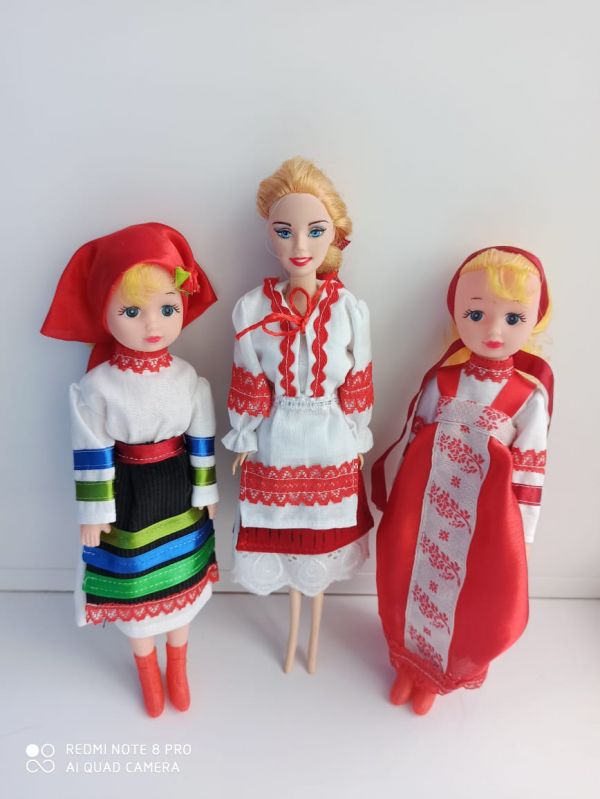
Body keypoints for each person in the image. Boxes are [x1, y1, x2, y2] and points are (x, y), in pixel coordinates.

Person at [41, 222, 218, 717]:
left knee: (182, 582)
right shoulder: (97, 387)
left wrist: (206, 489)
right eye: (132, 311)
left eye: (167, 308)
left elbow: (201, 435)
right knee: (136, 585)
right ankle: (146, 669)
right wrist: (94, 512)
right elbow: (90, 447)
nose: (151, 325)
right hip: (128, 496)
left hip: (179, 491)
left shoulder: (188, 378)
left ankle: (177, 663)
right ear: (105, 313)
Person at [373, 246, 554, 715]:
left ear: (535, 319)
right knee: (408, 578)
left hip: (485, 522)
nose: (494, 330)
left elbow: (531, 468)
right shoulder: (444, 380)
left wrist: (523, 534)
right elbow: (415, 437)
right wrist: (399, 499)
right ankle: (407, 664)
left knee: (468, 598)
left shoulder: (527, 397)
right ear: (456, 314)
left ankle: (440, 677)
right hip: (425, 507)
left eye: (513, 318)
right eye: (476, 314)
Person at [223, 157, 374, 673]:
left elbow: (358, 376)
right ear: (269, 232)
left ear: (334, 234)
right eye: (284, 231)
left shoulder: (349, 310)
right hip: (277, 436)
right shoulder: (253, 309)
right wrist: (244, 434)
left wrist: (357, 430)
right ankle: (292, 637)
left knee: (319, 545)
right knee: (286, 540)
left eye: (314, 231)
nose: (299, 246)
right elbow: (249, 376)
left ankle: (312, 635)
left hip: (331, 437)